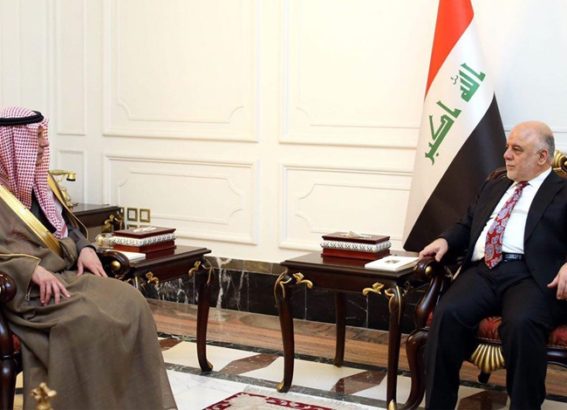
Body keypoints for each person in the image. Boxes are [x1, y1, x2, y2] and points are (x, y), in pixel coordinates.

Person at [0, 106, 177, 410]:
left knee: (130, 301)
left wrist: (85, 248)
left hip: (65, 275)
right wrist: (29, 269)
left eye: (43, 137)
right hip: (27, 292)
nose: (44, 145)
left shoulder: (40, 182)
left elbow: (65, 226)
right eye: (36, 139)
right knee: (87, 322)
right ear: (12, 145)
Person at [419, 121, 567, 409]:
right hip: (483, 271)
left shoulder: (562, 191)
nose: (506, 155)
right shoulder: (494, 184)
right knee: (447, 314)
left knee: (522, 324)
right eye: (507, 147)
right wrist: (445, 240)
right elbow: (467, 223)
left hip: (531, 277)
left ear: (542, 157)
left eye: (516, 150)